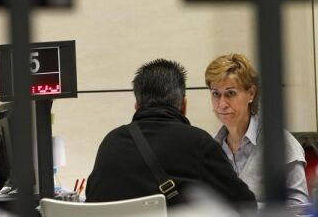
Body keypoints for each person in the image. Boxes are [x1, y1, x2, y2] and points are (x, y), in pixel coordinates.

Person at [86, 59, 256, 208]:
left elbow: (92, 202)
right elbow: (245, 205)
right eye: (216, 94)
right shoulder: (198, 144)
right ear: (183, 105)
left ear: (137, 106)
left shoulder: (110, 142)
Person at [204, 53, 309, 206]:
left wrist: (245, 209)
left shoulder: (280, 143)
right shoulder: (211, 148)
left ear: (251, 94)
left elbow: (299, 209)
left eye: (230, 93)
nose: (222, 104)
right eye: (215, 94)